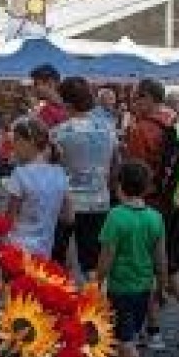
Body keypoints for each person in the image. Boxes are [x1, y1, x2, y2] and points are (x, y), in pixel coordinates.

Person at [125, 78, 179, 348]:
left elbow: (134, 173)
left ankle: (153, 330)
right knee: (172, 262)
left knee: (149, 264)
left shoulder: (141, 130)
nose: (132, 104)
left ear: (148, 98)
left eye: (136, 98)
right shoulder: (176, 122)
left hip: (153, 206)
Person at [97, 161, 168, 357]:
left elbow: (106, 257)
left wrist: (98, 280)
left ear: (119, 186)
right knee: (130, 333)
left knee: (125, 339)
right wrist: (163, 286)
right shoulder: (156, 218)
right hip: (144, 288)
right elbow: (161, 257)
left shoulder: (116, 217)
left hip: (120, 289)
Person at [53, 77, 119, 277]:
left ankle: (59, 300)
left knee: (58, 258)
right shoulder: (109, 130)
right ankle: (94, 302)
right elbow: (116, 164)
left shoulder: (58, 133)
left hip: (65, 204)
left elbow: (52, 169)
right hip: (99, 201)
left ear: (67, 104)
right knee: (91, 262)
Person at [5, 117, 72, 257]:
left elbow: (9, 219)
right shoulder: (60, 173)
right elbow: (68, 217)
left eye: (16, 140)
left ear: (29, 142)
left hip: (17, 246)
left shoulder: (20, 174)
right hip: (44, 248)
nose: (13, 145)